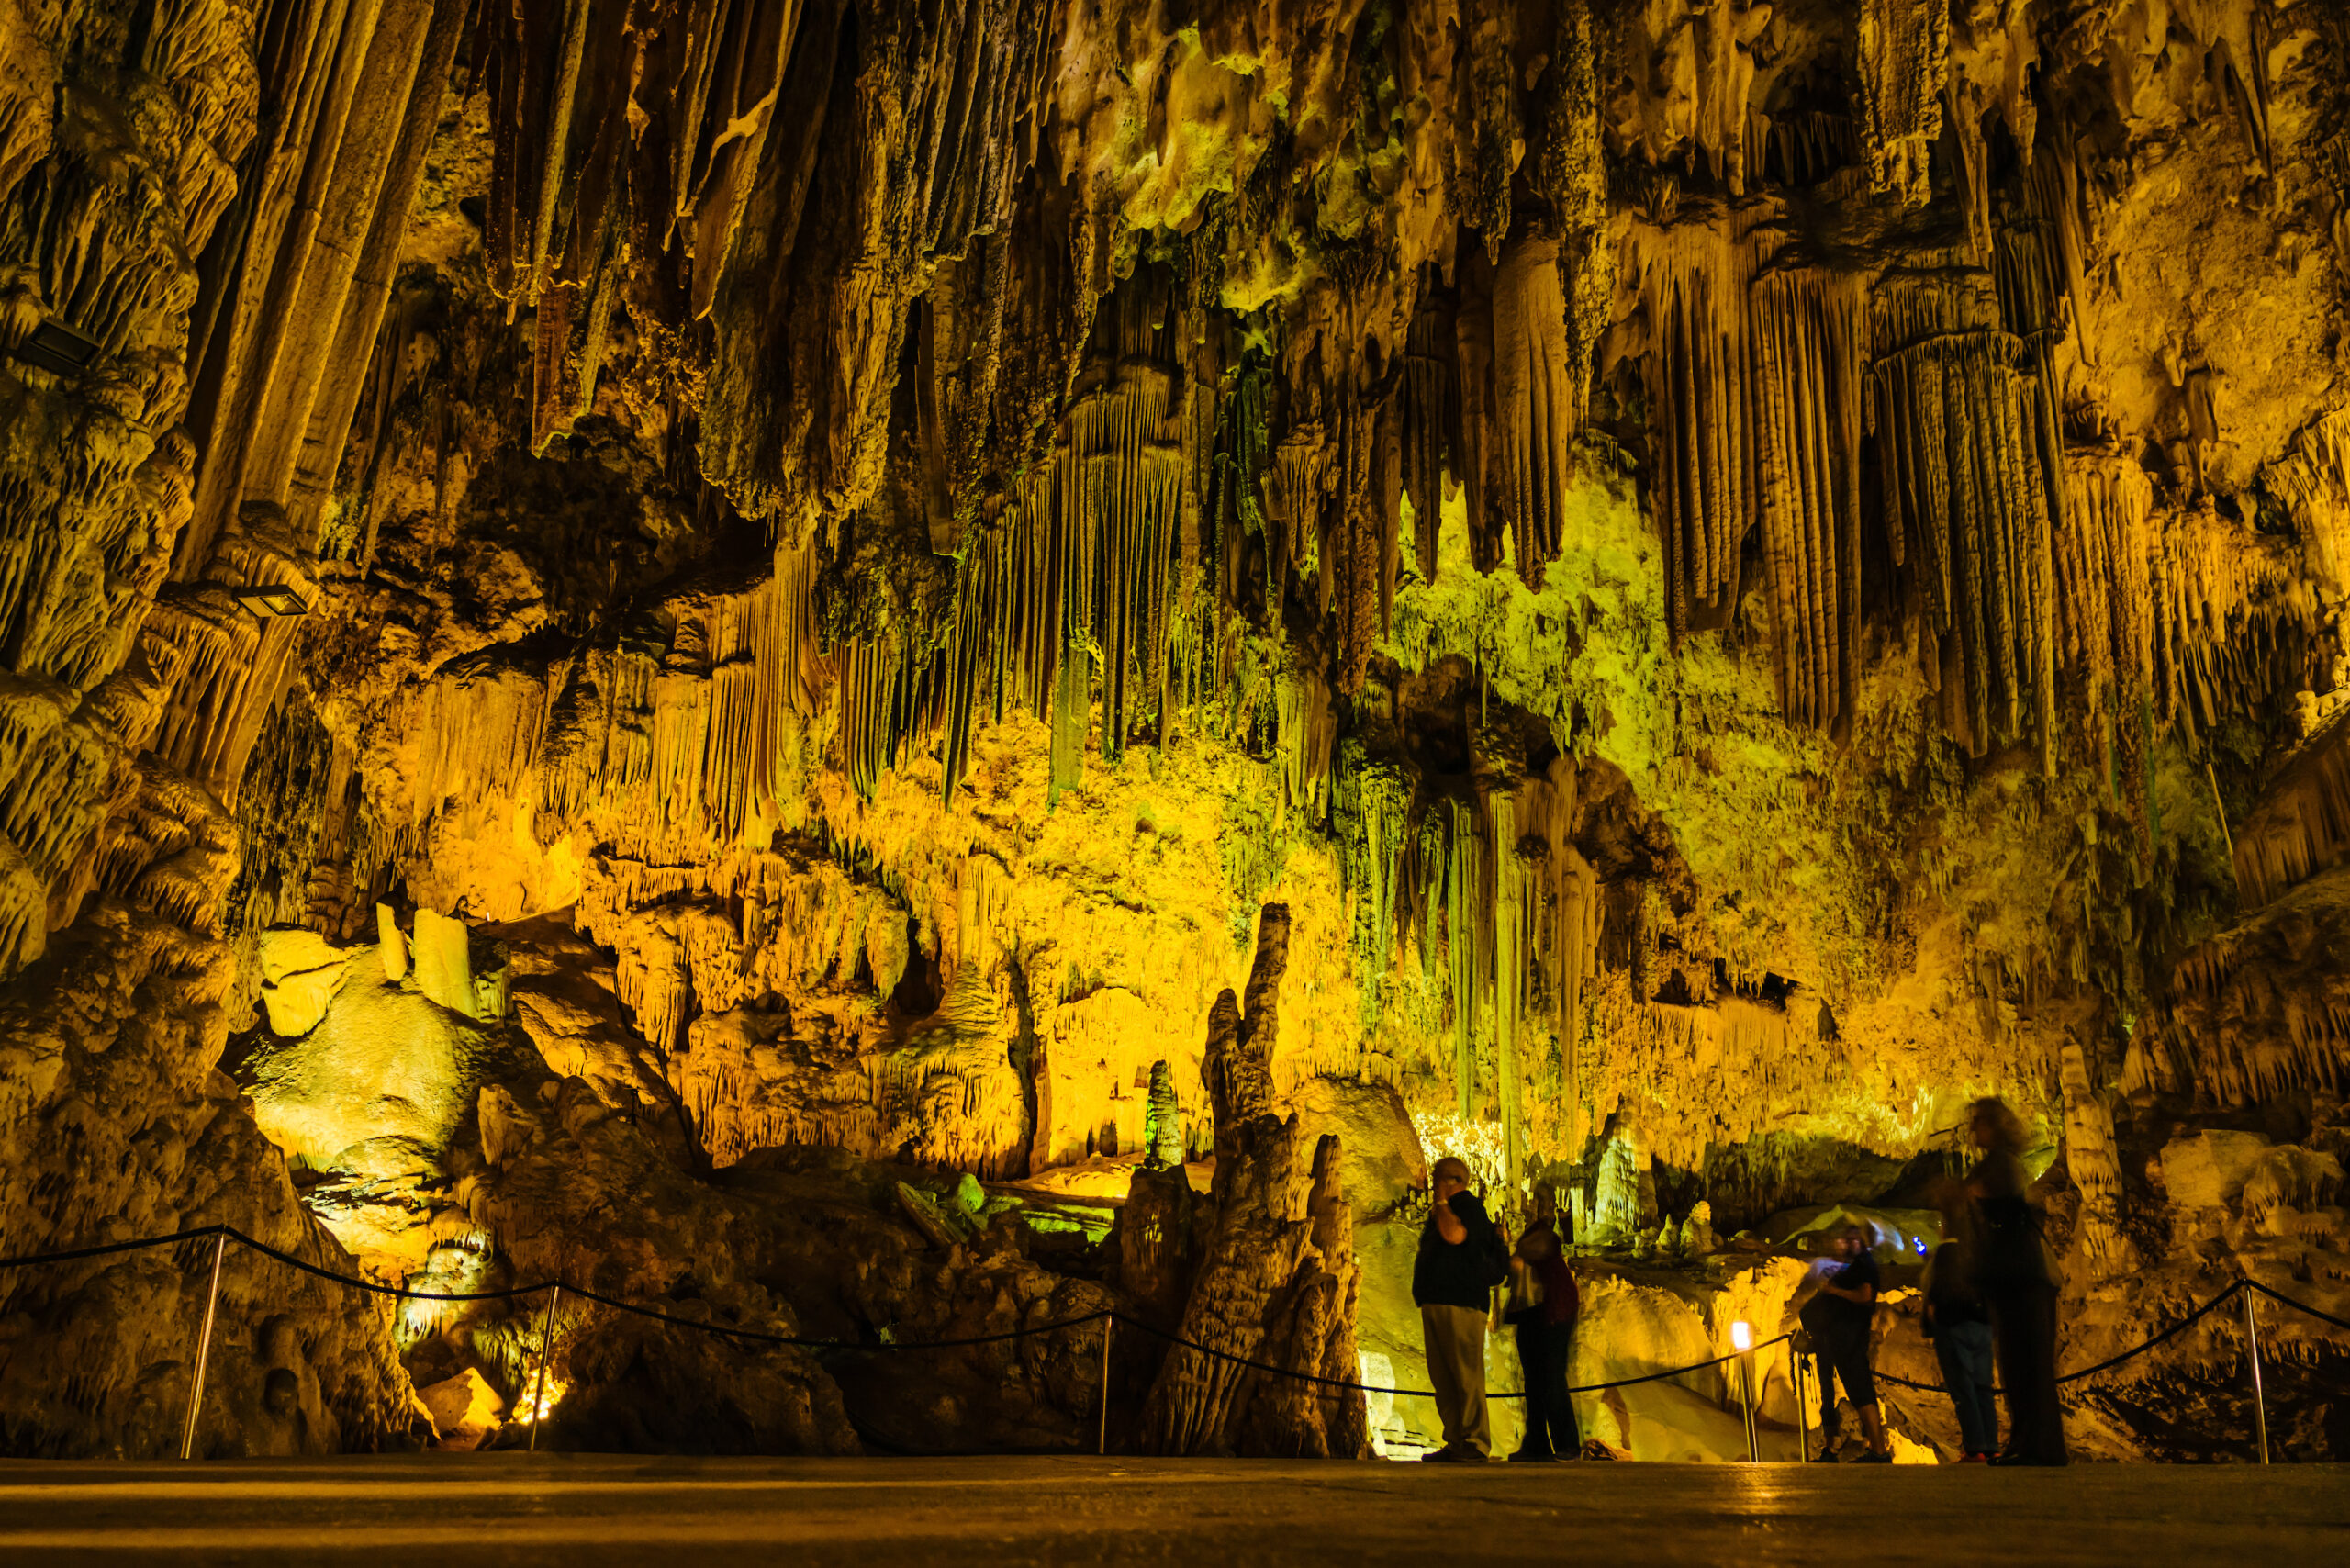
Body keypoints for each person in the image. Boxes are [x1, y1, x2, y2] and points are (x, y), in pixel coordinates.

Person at [1965, 1096, 2068, 1465]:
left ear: (1995, 1125)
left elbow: (2005, 1217)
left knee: (2026, 1361)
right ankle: (2029, 1442)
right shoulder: (1999, 1163)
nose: (1973, 1128)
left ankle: (2037, 1446)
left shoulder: (2001, 1164)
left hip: (2020, 1274)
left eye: (1979, 1121)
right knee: (2016, 1362)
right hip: (2014, 1273)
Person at [1413, 1156, 1508, 1462]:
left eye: (1436, 1179)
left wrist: (1441, 1203)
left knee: (1466, 1375)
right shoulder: (1447, 1210)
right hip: (1439, 1301)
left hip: (1461, 1302)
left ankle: (1476, 1442)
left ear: (1451, 1180)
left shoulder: (1468, 1208)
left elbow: (1454, 1236)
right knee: (1444, 1378)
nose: (1430, 1184)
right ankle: (1456, 1440)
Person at [1797, 1224, 1892, 1462]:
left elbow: (1865, 1296)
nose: (1845, 1244)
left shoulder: (1865, 1265)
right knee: (1857, 1394)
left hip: (1851, 1339)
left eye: (1851, 1240)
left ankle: (1879, 1452)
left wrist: (1834, 1290)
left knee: (1862, 1394)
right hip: (1838, 1339)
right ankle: (1872, 1450)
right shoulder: (1853, 1266)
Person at [1921, 1188, 1998, 1462]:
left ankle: (1975, 1448)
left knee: (1963, 1390)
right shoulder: (1977, 1249)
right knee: (1982, 1388)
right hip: (1981, 1326)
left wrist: (1933, 1314)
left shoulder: (1946, 1253)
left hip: (1954, 1326)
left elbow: (1939, 1288)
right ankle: (1990, 1446)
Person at [1504, 1214, 1581, 1462]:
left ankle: (1567, 1444)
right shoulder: (1539, 1256)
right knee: (1535, 1383)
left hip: (1550, 1316)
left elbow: (1533, 1257)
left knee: (1551, 1380)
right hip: (1534, 1315)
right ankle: (1537, 1443)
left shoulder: (1544, 1251)